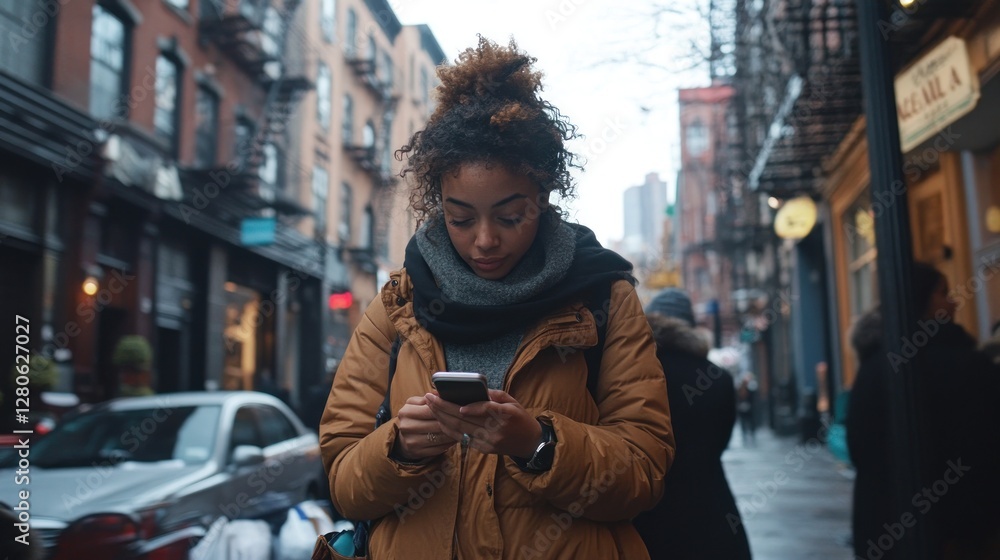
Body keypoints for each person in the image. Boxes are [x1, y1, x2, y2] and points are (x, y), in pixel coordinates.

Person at [319, 37, 675, 559]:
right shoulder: (398, 305)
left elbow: (644, 473)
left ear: (544, 196)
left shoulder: (603, 299)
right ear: (438, 204)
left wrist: (536, 444)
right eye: (461, 218)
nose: (485, 240)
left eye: (511, 216)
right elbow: (343, 480)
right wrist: (397, 447)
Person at [846, 262, 1000, 559]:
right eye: (942, 293)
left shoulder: (874, 366)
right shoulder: (962, 365)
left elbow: (862, 451)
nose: (954, 301)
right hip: (956, 534)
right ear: (920, 299)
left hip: (885, 531)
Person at [633, 288, 752, 560]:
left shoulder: (637, 376)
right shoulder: (718, 378)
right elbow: (721, 441)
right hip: (710, 508)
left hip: (650, 511)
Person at [736, 371, 757, 447]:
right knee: (744, 424)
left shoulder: (750, 390)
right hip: (742, 411)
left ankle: (751, 436)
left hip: (749, 410)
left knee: (750, 423)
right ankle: (745, 437)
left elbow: (753, 399)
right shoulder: (739, 391)